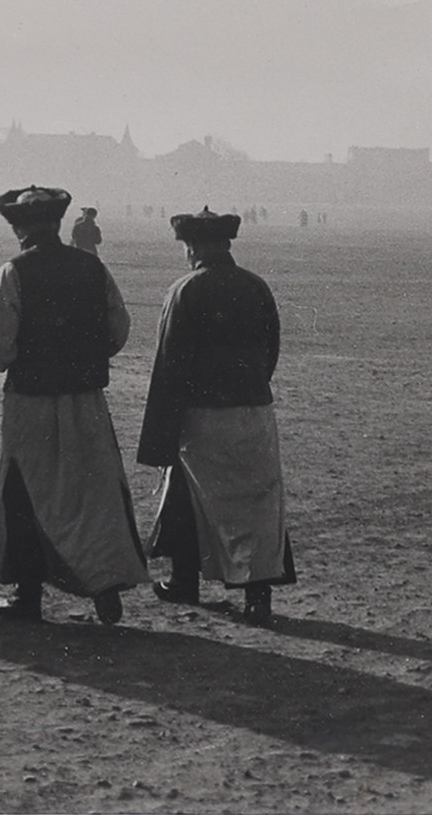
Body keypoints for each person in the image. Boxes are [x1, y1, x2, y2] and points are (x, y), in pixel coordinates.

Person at [0, 187, 147, 623]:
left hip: (31, 402)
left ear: (18, 228)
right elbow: (117, 330)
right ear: (57, 223)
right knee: (94, 492)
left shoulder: (13, 271)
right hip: (85, 399)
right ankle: (106, 588)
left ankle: (27, 596)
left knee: (26, 493)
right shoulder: (92, 267)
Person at [138, 209, 294, 626]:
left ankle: (184, 579)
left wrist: (162, 435)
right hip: (255, 411)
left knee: (187, 498)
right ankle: (257, 595)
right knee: (258, 504)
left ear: (192, 248)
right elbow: (270, 349)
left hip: (203, 414)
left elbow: (170, 364)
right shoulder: (256, 286)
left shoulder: (185, 290)